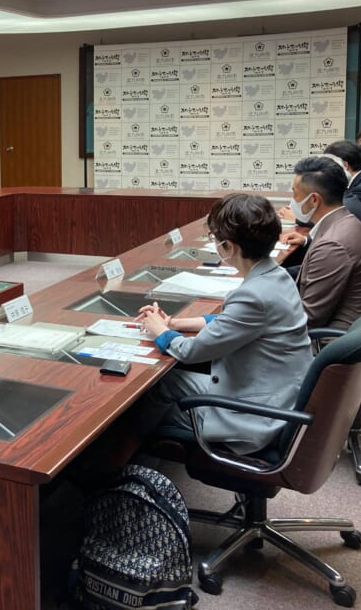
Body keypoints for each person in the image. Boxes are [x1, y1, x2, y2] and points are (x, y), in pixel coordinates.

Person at [128, 193, 312, 455]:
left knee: (160, 384)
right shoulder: (277, 275)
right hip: (278, 392)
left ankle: (125, 456)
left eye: (215, 239)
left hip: (257, 414)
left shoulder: (252, 295)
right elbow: (236, 323)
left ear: (228, 247)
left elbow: (191, 352)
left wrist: (161, 331)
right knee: (172, 381)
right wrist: (176, 323)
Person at [287, 156, 361, 329]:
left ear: (314, 200)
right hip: (342, 321)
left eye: (295, 193)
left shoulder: (332, 245)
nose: (292, 200)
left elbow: (309, 317)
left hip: (332, 336)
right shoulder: (345, 220)